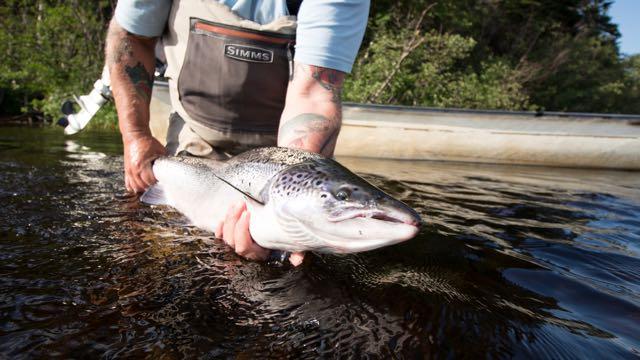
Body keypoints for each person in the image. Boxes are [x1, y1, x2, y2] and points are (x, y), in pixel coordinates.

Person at [105, 0, 370, 266]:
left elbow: (313, 91)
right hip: (193, 145)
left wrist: (286, 220)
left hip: (280, 156)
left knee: (276, 267)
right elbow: (132, 35)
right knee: (156, 256)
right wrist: (136, 136)